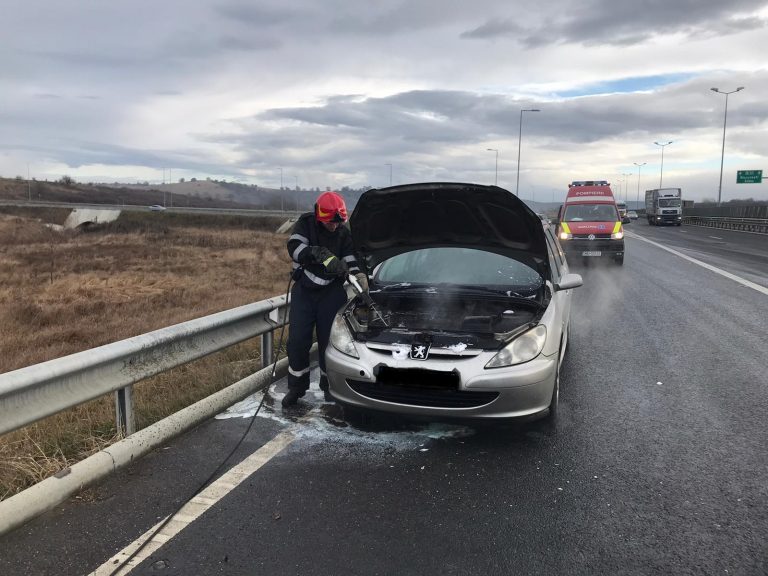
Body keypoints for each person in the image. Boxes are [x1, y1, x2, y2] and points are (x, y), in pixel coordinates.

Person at [282, 191, 368, 407]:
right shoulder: (306, 224)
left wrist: (358, 275)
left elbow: (351, 260)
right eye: (331, 222)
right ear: (320, 217)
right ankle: (296, 387)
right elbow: (294, 248)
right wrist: (319, 253)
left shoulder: (343, 233)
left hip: (331, 294)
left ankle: (329, 386)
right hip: (304, 292)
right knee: (298, 341)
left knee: (329, 343)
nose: (334, 226)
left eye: (338, 222)